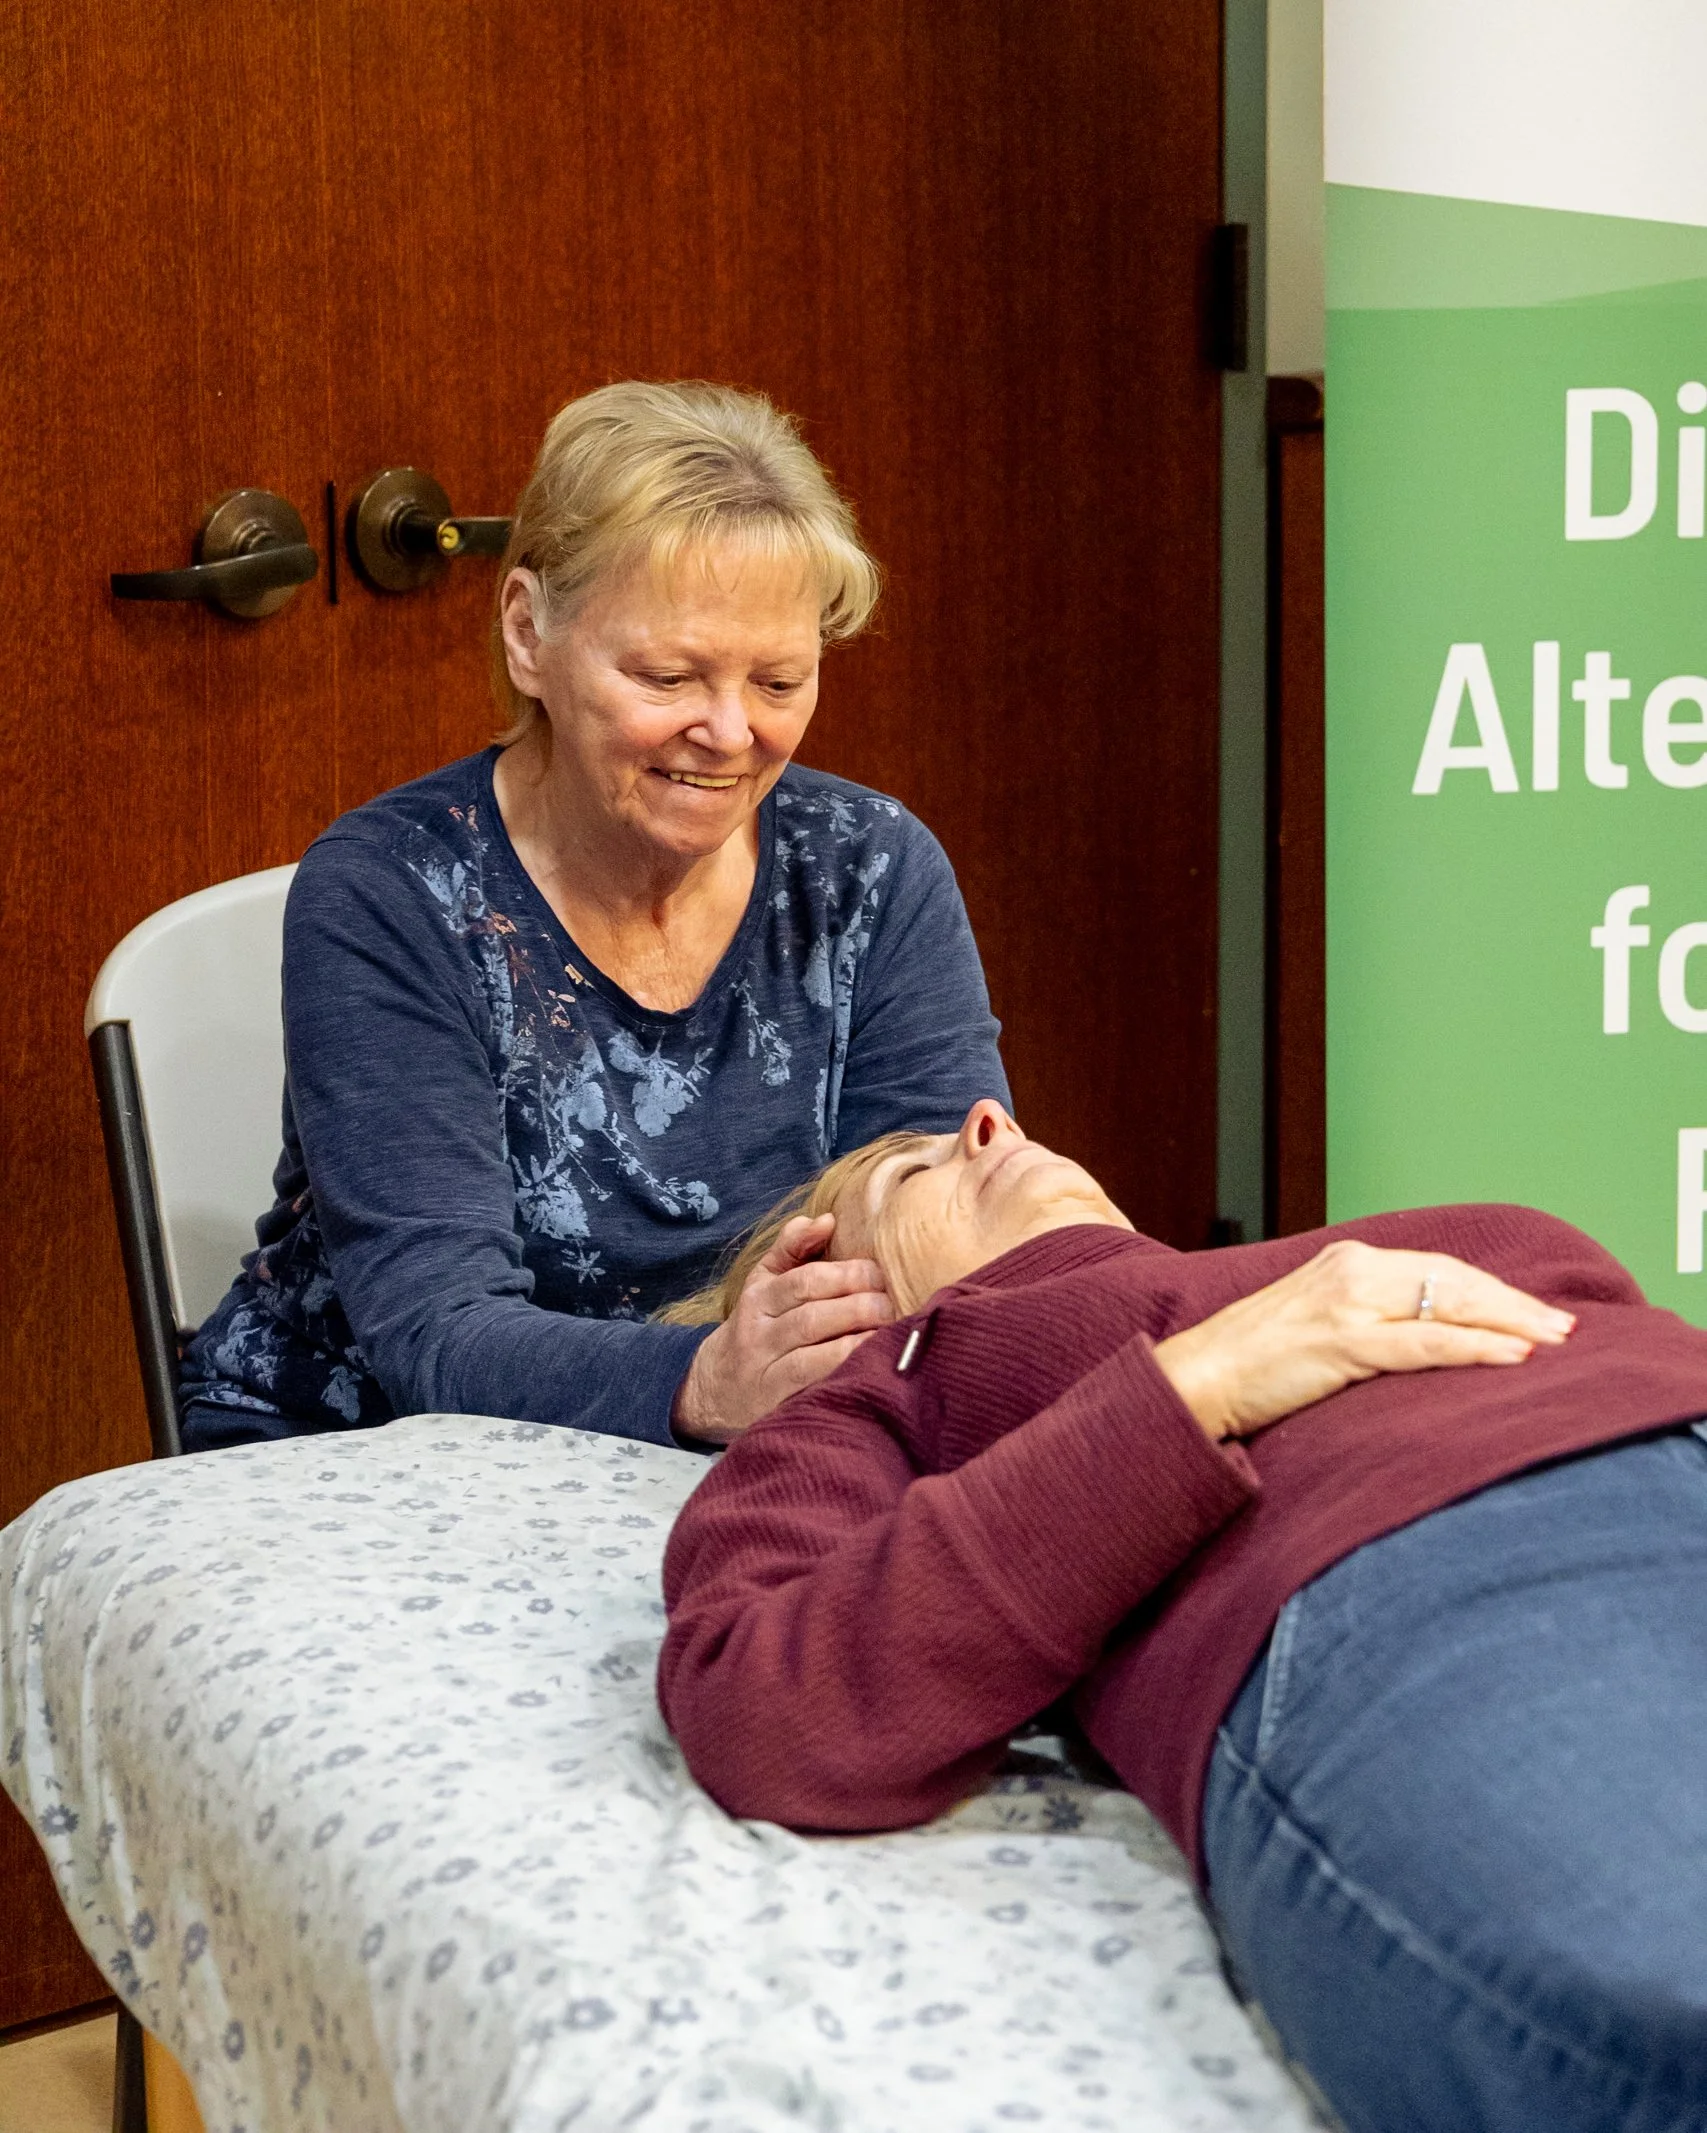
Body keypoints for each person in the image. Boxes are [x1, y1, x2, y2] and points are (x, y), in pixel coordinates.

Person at [659, 1100, 1707, 2133]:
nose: (993, 1117)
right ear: (836, 1299)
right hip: (1440, 1565)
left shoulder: (1341, 1252)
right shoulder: (891, 1388)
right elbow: (762, 1701)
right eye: (909, 1175)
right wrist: (1203, 1384)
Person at [178, 382, 1008, 1454]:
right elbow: (438, 1332)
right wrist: (713, 1378)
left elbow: (948, 1232)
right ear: (529, 635)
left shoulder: (868, 869)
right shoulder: (393, 892)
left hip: (771, 1430)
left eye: (779, 680)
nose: (730, 731)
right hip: (375, 1447)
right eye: (668, 675)